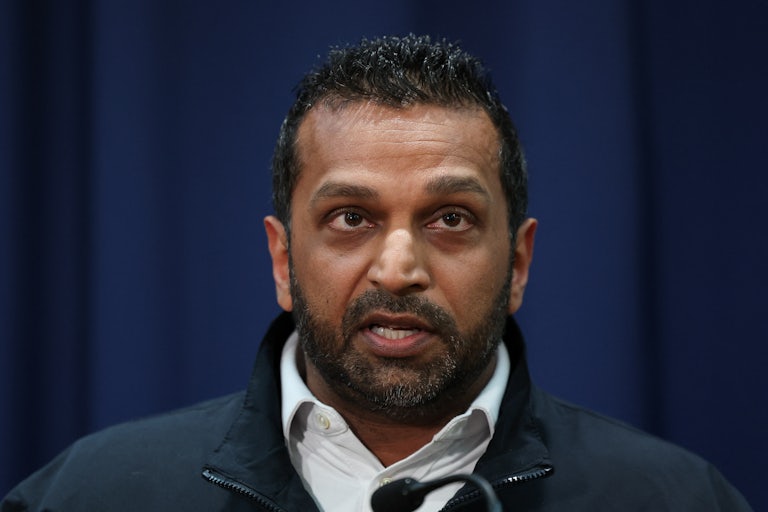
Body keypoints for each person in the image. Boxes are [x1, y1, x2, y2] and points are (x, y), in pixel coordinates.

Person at [1, 34, 752, 512]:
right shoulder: (90, 495)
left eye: (450, 218)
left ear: (519, 261)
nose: (397, 270)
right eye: (351, 218)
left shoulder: (677, 499)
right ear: (281, 259)